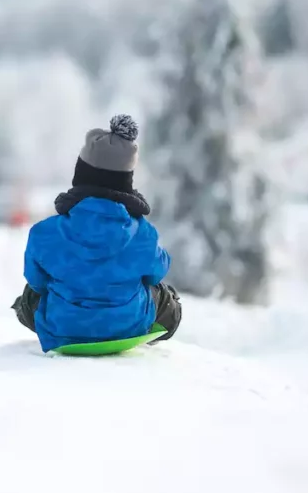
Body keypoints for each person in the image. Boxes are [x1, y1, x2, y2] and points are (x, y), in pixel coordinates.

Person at [10, 114, 183, 352]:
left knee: (30, 297)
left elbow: (36, 281)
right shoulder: (143, 233)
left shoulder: (44, 232)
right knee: (166, 297)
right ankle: (124, 325)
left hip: (63, 328)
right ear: (126, 182)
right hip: (129, 327)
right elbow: (158, 272)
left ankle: (71, 327)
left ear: (80, 176)